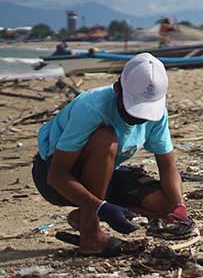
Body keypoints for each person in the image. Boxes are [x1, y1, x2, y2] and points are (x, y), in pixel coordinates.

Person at [32, 53, 189, 256]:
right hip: (57, 176)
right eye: (133, 109)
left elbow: (168, 167)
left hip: (105, 172)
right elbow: (57, 176)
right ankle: (91, 235)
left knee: (164, 205)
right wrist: (100, 207)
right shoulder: (91, 107)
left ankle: (83, 216)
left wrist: (179, 207)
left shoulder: (158, 114)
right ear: (117, 89)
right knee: (106, 139)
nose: (138, 118)